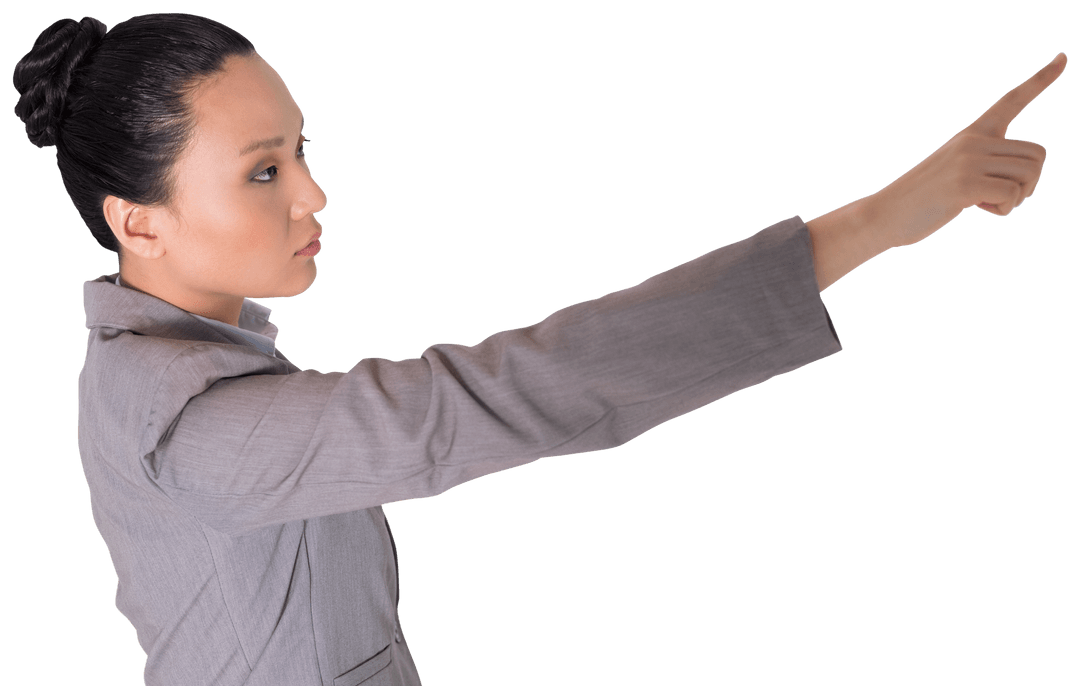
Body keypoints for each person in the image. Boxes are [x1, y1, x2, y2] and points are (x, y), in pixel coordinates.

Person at [12, 11, 1066, 686]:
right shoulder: (198, 432)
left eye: (301, 150)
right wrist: (874, 223)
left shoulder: (172, 355)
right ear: (137, 221)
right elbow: (504, 393)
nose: (314, 193)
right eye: (261, 171)